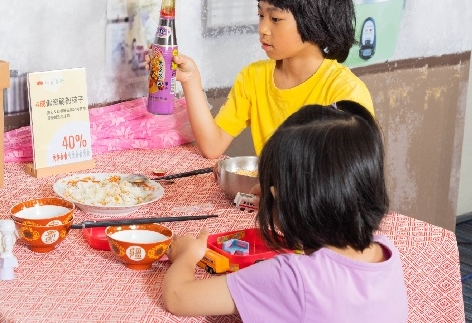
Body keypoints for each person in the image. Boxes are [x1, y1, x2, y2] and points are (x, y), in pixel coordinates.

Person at [161, 101, 407, 322]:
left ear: (281, 198)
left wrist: (187, 254)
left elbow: (178, 297)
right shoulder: (385, 251)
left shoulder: (293, 277)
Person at [175, 0, 374, 158]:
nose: (263, 29)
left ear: (314, 18)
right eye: (261, 15)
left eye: (276, 18)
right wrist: (191, 80)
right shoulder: (253, 78)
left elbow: (343, 179)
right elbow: (212, 146)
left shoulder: (345, 91)